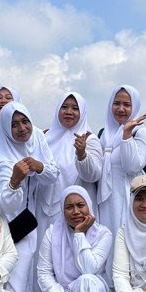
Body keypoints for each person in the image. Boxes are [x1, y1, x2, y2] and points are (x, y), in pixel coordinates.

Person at [0, 102, 61, 292]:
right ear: (6, 128)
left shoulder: (36, 136)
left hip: (31, 219)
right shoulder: (3, 160)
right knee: (15, 274)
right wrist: (15, 181)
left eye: (25, 121)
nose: (22, 128)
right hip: (10, 225)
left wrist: (40, 167)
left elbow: (54, 173)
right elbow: (5, 204)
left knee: (32, 270)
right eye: (14, 125)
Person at [33, 185, 113, 292]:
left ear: (89, 206)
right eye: (69, 207)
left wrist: (79, 234)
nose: (76, 211)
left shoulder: (103, 234)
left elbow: (89, 269)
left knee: (86, 280)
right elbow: (44, 273)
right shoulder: (52, 233)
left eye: (80, 205)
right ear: (62, 210)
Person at [96, 85, 146, 249]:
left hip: (129, 200)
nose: (121, 109)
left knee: (126, 246)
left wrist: (127, 136)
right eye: (117, 103)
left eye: (127, 105)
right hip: (107, 202)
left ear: (134, 107)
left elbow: (132, 166)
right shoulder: (104, 135)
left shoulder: (142, 134)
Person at [43, 92, 103, 225]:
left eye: (75, 108)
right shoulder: (44, 137)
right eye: (64, 107)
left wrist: (82, 155)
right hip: (43, 208)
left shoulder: (89, 139)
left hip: (77, 212)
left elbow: (93, 175)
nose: (69, 112)